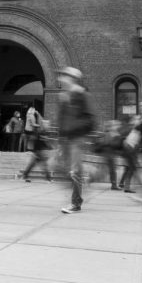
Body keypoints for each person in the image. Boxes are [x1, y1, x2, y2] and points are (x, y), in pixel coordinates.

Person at [55, 66, 97, 214]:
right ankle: (88, 174)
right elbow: (61, 120)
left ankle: (76, 203)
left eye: (64, 76)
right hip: (66, 139)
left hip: (77, 138)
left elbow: (91, 119)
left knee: (74, 171)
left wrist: (76, 129)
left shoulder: (83, 95)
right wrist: (60, 140)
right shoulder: (64, 96)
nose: (61, 78)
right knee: (58, 167)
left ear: (72, 78)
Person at [20, 110, 53, 182]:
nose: (48, 126)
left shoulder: (43, 132)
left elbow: (44, 142)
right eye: (47, 125)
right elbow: (38, 141)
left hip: (39, 151)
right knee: (43, 165)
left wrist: (49, 147)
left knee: (33, 165)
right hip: (39, 151)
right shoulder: (41, 132)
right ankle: (49, 178)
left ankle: (25, 175)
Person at [93, 120, 123, 190]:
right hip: (109, 155)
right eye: (115, 125)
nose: (116, 127)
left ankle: (114, 185)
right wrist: (117, 138)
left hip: (109, 154)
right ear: (111, 127)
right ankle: (114, 185)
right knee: (110, 170)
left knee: (108, 170)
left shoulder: (110, 134)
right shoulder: (109, 134)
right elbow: (112, 144)